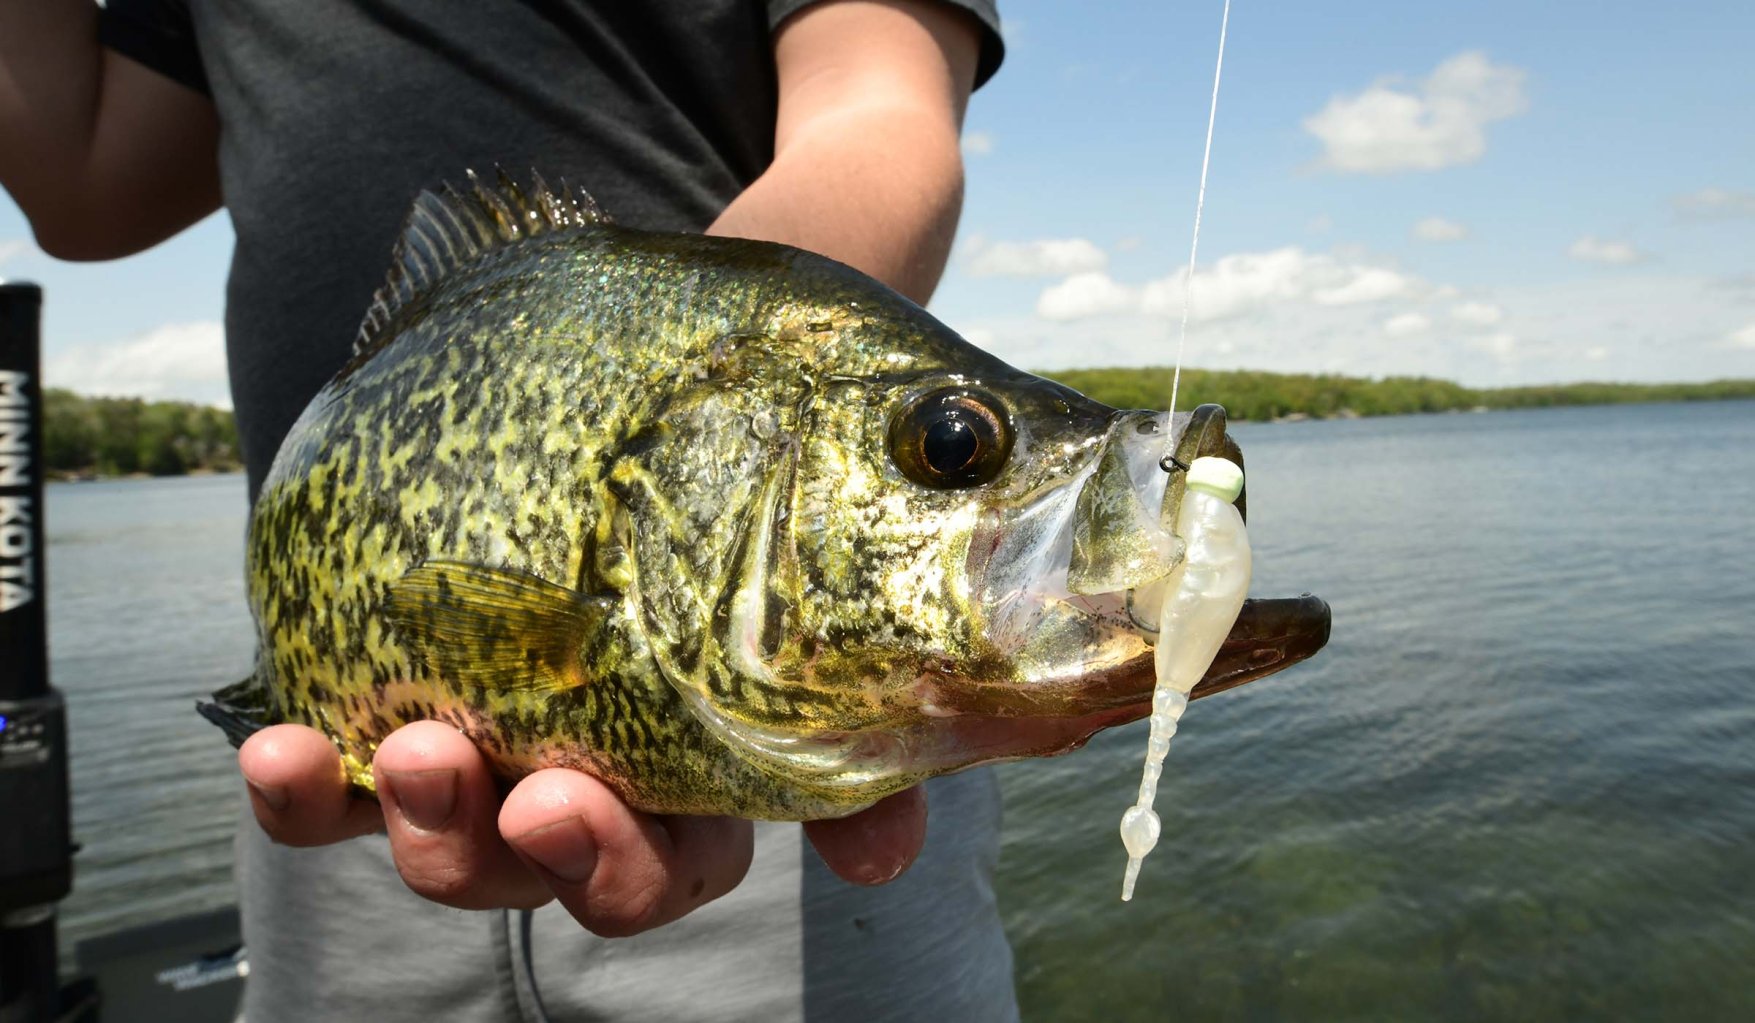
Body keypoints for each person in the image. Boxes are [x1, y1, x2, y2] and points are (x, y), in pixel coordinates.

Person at [0, 1, 1016, 1019]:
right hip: (352, 780)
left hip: (780, 822)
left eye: (951, 452)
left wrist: (675, 393)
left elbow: (880, 102)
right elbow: (85, 187)